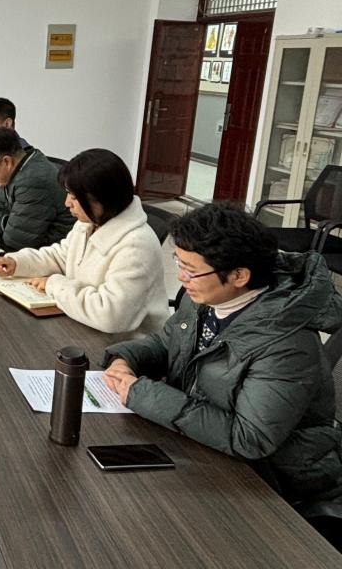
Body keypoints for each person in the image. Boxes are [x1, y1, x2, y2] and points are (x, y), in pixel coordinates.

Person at [102, 203, 342, 522]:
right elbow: (167, 342)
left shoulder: (287, 345)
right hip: (206, 447)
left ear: (239, 275)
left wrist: (143, 394)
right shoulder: (209, 298)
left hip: (271, 482)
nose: (181, 278)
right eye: (179, 263)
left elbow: (249, 438)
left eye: (191, 270)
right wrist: (125, 358)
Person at [0, 149, 166, 332]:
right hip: (81, 324)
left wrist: (54, 284)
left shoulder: (136, 246)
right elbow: (61, 256)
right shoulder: (89, 222)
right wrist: (17, 262)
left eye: (74, 197)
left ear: (102, 198)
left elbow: (110, 315)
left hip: (125, 344)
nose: (67, 203)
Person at [0, 127, 73, 250]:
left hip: (51, 253)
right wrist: (8, 222)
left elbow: (16, 239)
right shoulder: (12, 171)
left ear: (6, 162)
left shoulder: (33, 180)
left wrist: (8, 224)